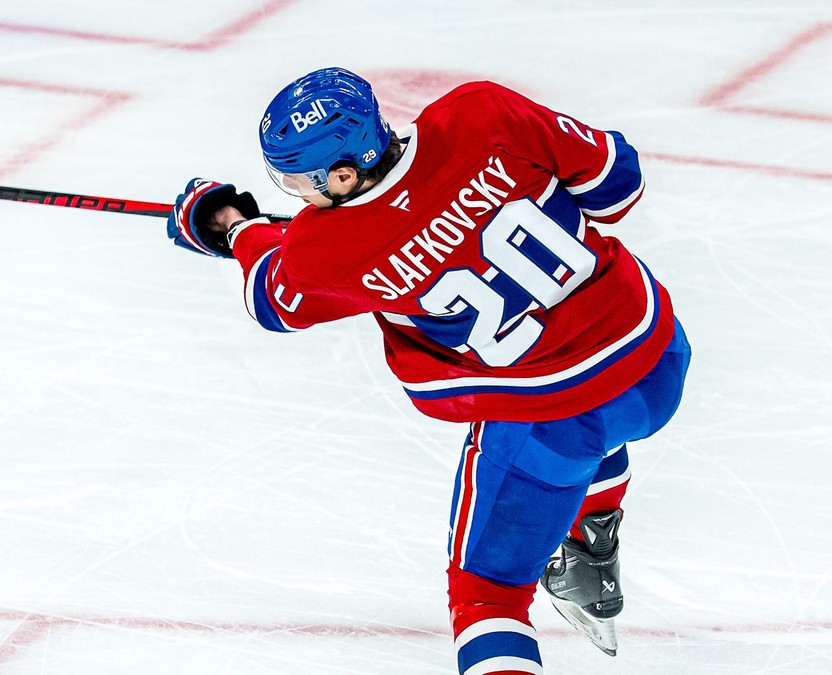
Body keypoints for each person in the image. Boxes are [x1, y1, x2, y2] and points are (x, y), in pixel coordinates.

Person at [166, 67, 690, 674]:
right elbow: (616, 184)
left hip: (547, 417)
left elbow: (274, 299)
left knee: (487, 599)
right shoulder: (482, 112)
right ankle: (589, 539)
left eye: (297, 181)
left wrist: (232, 227)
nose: (294, 196)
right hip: (654, 359)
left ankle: (576, 541)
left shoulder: (320, 251)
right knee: (596, 425)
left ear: (341, 175)